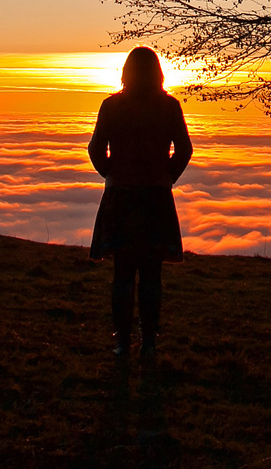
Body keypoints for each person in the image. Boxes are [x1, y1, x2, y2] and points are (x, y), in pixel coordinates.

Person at [87, 46, 192, 362]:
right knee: (151, 274)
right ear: (158, 72)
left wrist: (112, 174)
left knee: (122, 273)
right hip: (156, 199)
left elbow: (95, 149)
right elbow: (184, 149)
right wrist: (165, 177)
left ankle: (121, 341)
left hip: (121, 198)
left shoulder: (111, 106)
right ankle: (148, 341)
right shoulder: (170, 107)